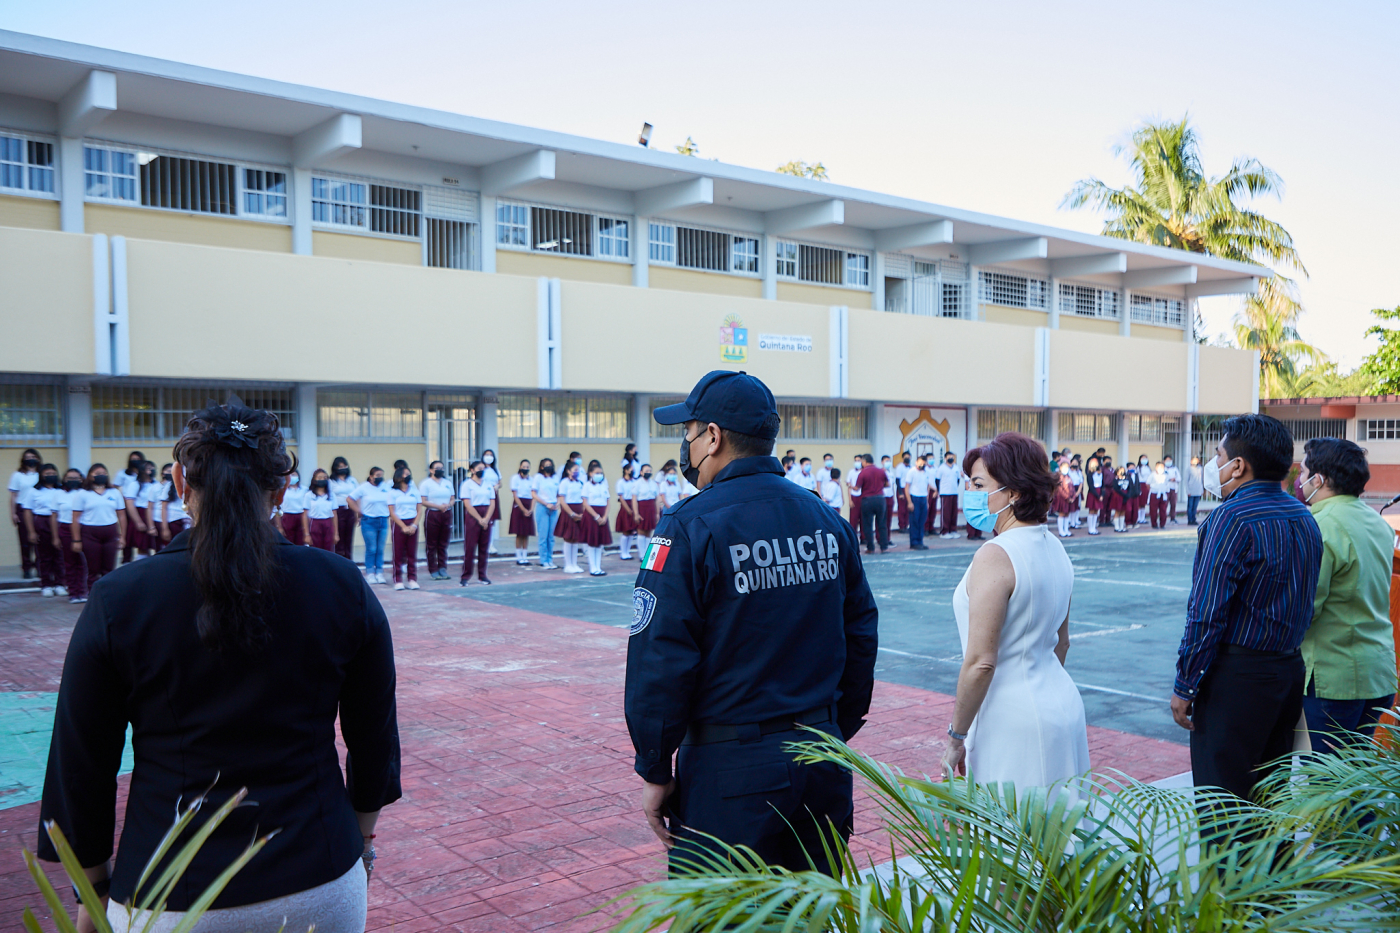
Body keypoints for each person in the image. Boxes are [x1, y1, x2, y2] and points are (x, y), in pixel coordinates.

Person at [38, 397, 399, 933]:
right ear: (281, 489)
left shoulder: (121, 599)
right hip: (320, 875)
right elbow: (374, 739)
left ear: (181, 482)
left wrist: (90, 894)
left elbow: (80, 765)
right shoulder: (340, 585)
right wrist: (362, 843)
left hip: (168, 891)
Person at [626, 370, 878, 875]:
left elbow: (661, 659)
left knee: (728, 918)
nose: (686, 444)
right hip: (821, 758)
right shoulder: (825, 518)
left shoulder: (688, 526)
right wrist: (831, 730)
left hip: (731, 772)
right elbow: (861, 636)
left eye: (690, 431)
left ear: (713, 437)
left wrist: (654, 767)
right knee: (811, 913)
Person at [1171, 414, 1322, 804]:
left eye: (1218, 455)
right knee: (1271, 800)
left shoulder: (1230, 518)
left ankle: (1230, 869)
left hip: (1238, 678)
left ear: (1238, 465)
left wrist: (1186, 684)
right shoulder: (1304, 516)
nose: (1214, 464)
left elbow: (1206, 612)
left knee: (1225, 808)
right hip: (1288, 670)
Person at [942, 432, 1088, 789]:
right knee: (1059, 832)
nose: (971, 494)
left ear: (1014, 493)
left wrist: (955, 737)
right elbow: (1062, 644)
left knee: (1013, 834)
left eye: (979, 485)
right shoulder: (1054, 546)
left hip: (1012, 717)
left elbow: (981, 662)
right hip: (1062, 704)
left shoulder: (996, 554)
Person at [1296, 438, 1397, 752]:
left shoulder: (1319, 525)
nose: (1299, 481)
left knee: (1327, 788)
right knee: (1357, 779)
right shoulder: (1378, 523)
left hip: (1335, 676)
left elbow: (1306, 607)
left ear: (1320, 480)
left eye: (1303, 472)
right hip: (1378, 672)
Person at [70, 465, 127, 590]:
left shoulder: (114, 493)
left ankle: (108, 594)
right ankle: (93, 595)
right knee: (93, 568)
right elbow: (75, 518)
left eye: (103, 473)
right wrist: (76, 539)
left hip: (110, 533)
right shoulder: (82, 494)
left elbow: (122, 516)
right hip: (90, 533)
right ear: (90, 476)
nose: (100, 475)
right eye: (97, 473)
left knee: (109, 568)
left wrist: (122, 537)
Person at [20, 464, 63, 596]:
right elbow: (27, 511)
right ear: (41, 475)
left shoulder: (61, 490)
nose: (50, 476)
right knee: (44, 556)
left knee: (60, 555)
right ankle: (46, 584)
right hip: (42, 523)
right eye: (47, 474)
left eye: (53, 473)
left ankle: (60, 583)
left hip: (59, 522)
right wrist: (31, 531)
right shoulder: (34, 491)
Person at [348, 467, 391, 584]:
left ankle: (379, 572)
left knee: (380, 548)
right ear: (371, 476)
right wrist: (359, 511)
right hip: (369, 520)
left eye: (381, 475)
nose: (379, 477)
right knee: (371, 548)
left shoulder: (385, 487)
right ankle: (370, 572)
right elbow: (350, 499)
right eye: (377, 475)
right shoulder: (364, 487)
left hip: (383, 520)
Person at [459, 459, 496, 585]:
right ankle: (465, 576)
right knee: (470, 547)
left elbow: (492, 502)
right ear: (472, 470)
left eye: (483, 469)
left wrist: (486, 518)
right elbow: (467, 505)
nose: (481, 471)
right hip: (473, 515)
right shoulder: (467, 484)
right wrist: (479, 519)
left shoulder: (487, 484)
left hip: (486, 513)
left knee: (484, 547)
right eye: (479, 469)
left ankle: (482, 575)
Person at [386, 467, 423, 590]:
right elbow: (392, 512)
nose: (408, 476)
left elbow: (419, 510)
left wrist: (414, 525)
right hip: (399, 523)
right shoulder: (393, 493)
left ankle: (412, 579)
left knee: (412, 552)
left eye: (409, 474)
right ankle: (398, 579)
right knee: (398, 552)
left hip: (412, 522)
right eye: (405, 474)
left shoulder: (414, 490)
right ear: (399, 476)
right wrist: (403, 526)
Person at [8, 447, 42, 579]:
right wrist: (13, 513)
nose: (31, 460)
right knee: (25, 541)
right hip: (22, 510)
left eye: (33, 457)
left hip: (38, 511)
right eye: (28, 458)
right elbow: (13, 496)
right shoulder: (18, 475)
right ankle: (26, 568)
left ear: (38, 459)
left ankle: (40, 567)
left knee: (40, 541)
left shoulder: (41, 474)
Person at [54, 469, 87, 603]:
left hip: (84, 528)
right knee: (70, 561)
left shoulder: (85, 493)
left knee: (84, 562)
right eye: (69, 477)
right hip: (65, 528)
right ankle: (73, 592)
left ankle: (83, 591)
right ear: (64, 479)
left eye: (76, 477)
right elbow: (54, 516)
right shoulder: (58, 494)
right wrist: (55, 536)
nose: (73, 480)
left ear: (81, 479)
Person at [420, 460, 455, 580]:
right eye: (437, 468)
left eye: (442, 468)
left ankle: (442, 567)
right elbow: (423, 501)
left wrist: (448, 505)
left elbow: (452, 498)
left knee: (444, 543)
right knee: (432, 543)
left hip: (446, 513)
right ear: (431, 470)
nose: (440, 470)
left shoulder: (447, 483)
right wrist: (437, 506)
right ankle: (433, 569)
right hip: (433, 514)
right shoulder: (426, 484)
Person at [854, 454, 892, 554]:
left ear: (865, 462)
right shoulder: (881, 471)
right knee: (882, 524)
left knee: (867, 524)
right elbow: (887, 484)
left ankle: (870, 547)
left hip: (867, 499)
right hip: (880, 499)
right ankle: (884, 546)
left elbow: (857, 488)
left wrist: (850, 486)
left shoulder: (863, 473)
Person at [582, 460, 613, 576]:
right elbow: (585, 503)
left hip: (602, 514)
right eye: (596, 472)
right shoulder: (587, 485)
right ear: (590, 473)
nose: (599, 475)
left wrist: (604, 516)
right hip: (592, 515)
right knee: (592, 542)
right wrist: (596, 516)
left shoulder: (604, 485)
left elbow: (608, 501)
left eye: (601, 472)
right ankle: (592, 567)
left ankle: (598, 566)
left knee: (600, 543)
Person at [556, 461, 587, 574]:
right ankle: (568, 564)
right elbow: (562, 501)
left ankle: (574, 563)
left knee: (576, 539)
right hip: (569, 511)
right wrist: (572, 514)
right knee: (568, 538)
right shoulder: (564, 483)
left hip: (579, 510)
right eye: (575, 470)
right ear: (568, 471)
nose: (577, 472)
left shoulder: (580, 483)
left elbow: (583, 499)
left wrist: (583, 513)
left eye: (578, 470)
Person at [531, 458, 561, 570]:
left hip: (554, 507)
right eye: (546, 465)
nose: (548, 466)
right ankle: (544, 560)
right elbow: (534, 493)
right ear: (542, 467)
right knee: (543, 535)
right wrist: (545, 503)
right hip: (543, 507)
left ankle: (550, 559)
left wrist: (558, 503)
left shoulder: (555, 478)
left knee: (551, 536)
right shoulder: (538, 477)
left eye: (550, 464)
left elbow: (559, 493)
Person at [116, 451, 145, 565]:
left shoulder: (144, 474)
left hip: (140, 507)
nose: (135, 461)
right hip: (126, 505)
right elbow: (115, 487)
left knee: (140, 534)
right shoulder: (123, 473)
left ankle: (140, 559)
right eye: (133, 459)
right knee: (127, 532)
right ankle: (126, 559)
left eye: (137, 459)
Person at [328, 456, 358, 561]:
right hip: (338, 511)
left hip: (350, 510)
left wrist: (357, 513)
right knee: (339, 538)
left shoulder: (352, 480)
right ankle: (340, 560)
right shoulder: (331, 481)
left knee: (349, 538)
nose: (343, 468)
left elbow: (356, 496)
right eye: (340, 466)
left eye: (345, 466)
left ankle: (349, 560)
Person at [304, 469, 339, 553]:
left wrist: (336, 533)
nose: (322, 480)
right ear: (314, 480)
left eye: (324, 477)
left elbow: (334, 514)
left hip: (328, 523)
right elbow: (305, 515)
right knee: (316, 550)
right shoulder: (309, 495)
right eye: (319, 477)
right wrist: (307, 534)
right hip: (315, 523)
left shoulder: (331, 495)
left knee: (329, 549)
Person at [509, 459, 536, 566]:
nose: (525, 469)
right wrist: (523, 509)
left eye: (527, 467)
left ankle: (525, 556)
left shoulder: (532, 479)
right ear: (520, 467)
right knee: (519, 532)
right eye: (523, 467)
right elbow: (515, 495)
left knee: (526, 533)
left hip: (529, 504)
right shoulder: (515, 478)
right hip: (519, 505)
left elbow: (534, 494)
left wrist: (531, 509)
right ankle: (519, 556)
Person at [933, 451, 964, 540]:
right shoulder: (941, 468)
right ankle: (944, 531)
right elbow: (937, 480)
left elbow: (958, 479)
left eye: (952, 456)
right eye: (949, 456)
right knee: (945, 513)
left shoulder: (956, 468)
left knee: (954, 513)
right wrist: (939, 491)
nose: (951, 458)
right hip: (945, 493)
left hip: (954, 493)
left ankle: (953, 530)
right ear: (945, 458)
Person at [905, 455, 930, 550]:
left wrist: (927, 501)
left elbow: (927, 486)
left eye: (924, 462)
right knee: (914, 521)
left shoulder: (926, 473)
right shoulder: (911, 472)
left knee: (922, 521)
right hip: (914, 498)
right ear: (916, 462)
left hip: (923, 498)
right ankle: (914, 542)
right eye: (920, 462)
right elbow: (906, 487)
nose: (922, 464)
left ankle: (920, 541)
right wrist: (909, 502)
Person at [159, 473, 191, 545]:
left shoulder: (194, 486)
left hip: (189, 520)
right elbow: (163, 507)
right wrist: (165, 528)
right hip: (174, 520)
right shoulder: (169, 485)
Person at [481, 449, 502, 557]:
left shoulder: (496, 470)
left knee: (492, 521)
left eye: (490, 455)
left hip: (494, 496)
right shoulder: (481, 469)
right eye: (486, 455)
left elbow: (500, 482)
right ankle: (483, 544)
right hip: (484, 496)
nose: (488, 457)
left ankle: (491, 544)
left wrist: (497, 486)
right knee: (484, 519)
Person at [278, 468, 307, 546]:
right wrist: (279, 526)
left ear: (298, 476)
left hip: (301, 516)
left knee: (300, 541)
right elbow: (278, 507)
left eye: (294, 474)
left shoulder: (304, 489)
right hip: (287, 516)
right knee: (288, 539)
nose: (292, 476)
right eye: (290, 475)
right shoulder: (284, 489)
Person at [634, 464, 660, 541]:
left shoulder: (653, 483)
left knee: (649, 530)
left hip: (651, 508)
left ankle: (647, 552)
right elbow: (634, 499)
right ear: (641, 472)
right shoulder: (637, 483)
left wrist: (657, 513)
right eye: (646, 471)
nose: (648, 472)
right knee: (641, 530)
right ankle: (642, 552)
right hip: (641, 507)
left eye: (650, 471)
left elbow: (657, 499)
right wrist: (636, 514)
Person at [1052, 462, 1076, 538]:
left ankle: (1066, 529)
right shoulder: (1059, 477)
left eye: (1067, 467)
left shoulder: (1068, 476)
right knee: (1062, 513)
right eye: (1064, 467)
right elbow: (1060, 489)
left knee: (1067, 513)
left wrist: (1073, 497)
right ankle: (1061, 531)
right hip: (1062, 498)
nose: (1066, 469)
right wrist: (1067, 497)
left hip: (1070, 498)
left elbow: (1072, 487)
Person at [1082, 456, 1103, 536]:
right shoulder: (1089, 474)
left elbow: (1103, 484)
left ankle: (1094, 527)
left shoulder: (1100, 473)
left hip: (1099, 492)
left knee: (1096, 511)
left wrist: (1102, 494)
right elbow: (1091, 486)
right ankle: (1090, 528)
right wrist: (1098, 495)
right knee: (1091, 511)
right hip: (1093, 493)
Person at [1148, 462, 1170, 529]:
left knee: (1163, 509)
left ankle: (1162, 524)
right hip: (1155, 493)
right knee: (1153, 510)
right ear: (1156, 467)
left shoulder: (1166, 475)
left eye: (1162, 467)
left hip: (1163, 494)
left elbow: (1167, 484)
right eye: (1159, 467)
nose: (1161, 469)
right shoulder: (1152, 474)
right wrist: (1153, 489)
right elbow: (1147, 483)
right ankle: (1154, 524)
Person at [1184, 455, 1205, 525]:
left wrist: (1202, 490)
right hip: (1191, 490)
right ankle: (1190, 520)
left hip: (1198, 490)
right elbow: (1186, 481)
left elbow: (1202, 480)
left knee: (1195, 507)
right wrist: (1188, 491)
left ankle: (1194, 519)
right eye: (1194, 460)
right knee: (1190, 506)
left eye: (1197, 460)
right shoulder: (1189, 469)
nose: (1195, 462)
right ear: (1191, 461)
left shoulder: (1200, 468)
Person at [894, 452, 911, 533]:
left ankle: (907, 525)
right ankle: (901, 526)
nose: (907, 458)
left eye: (908, 457)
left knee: (908, 508)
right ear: (903, 458)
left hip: (909, 489)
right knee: (902, 509)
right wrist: (900, 493)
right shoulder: (900, 467)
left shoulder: (911, 467)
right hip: (902, 489)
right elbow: (897, 480)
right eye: (906, 457)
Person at [1163, 454, 1181, 524]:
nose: (1169, 462)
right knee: (1165, 504)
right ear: (1164, 461)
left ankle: (1172, 518)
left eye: (1170, 460)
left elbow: (1179, 478)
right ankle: (1163, 517)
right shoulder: (1163, 469)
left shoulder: (1175, 469)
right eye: (1167, 460)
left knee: (1173, 504)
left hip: (1174, 488)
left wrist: (1175, 479)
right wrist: (1169, 479)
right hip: (1165, 489)